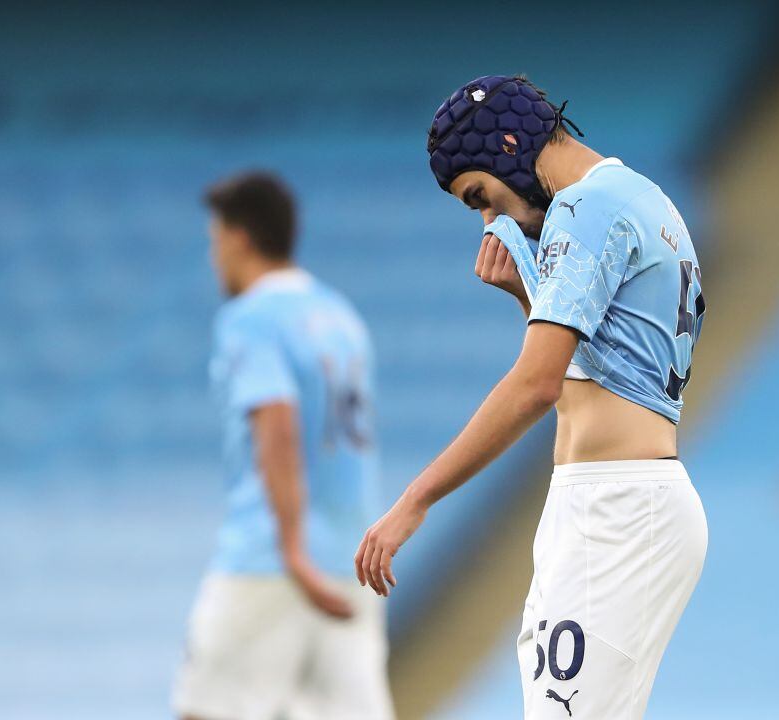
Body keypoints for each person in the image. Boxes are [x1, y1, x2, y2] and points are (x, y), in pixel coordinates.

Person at [355, 76, 708, 719]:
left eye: (480, 196)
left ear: (509, 146)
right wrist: (531, 298)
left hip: (619, 505)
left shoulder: (587, 206)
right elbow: (606, 367)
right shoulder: (638, 196)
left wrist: (415, 500)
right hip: (605, 500)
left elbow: (537, 385)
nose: (490, 218)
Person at [174, 172, 394, 720]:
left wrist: (291, 550)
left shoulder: (251, 319)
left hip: (270, 559)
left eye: (215, 241)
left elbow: (276, 420)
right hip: (352, 560)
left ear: (240, 237)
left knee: (207, 710)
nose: (214, 257)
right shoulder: (342, 319)